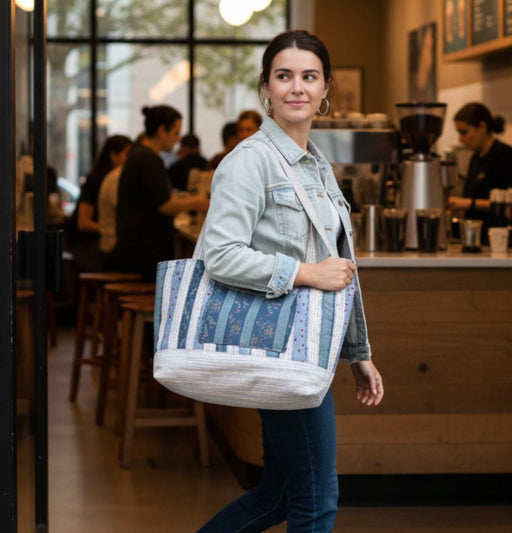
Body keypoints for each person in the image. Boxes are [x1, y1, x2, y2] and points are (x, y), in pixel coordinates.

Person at [198, 30, 384, 532]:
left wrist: (357, 351)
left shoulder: (317, 166)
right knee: (316, 500)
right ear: (266, 88)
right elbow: (219, 254)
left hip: (307, 350)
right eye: (284, 76)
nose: (296, 87)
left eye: (309, 76)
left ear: (326, 90)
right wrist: (304, 273)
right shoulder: (249, 161)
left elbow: (339, 265)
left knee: (278, 494)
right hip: (280, 349)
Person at [113, 105, 209, 281]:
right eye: (176, 133)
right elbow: (165, 205)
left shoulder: (140, 155)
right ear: (162, 131)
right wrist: (199, 201)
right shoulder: (147, 159)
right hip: (142, 254)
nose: (178, 139)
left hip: (132, 249)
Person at [447, 103, 512, 227]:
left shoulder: (505, 154)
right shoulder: (475, 158)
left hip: (498, 233)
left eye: (464, 132)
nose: (460, 139)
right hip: (476, 233)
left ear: (482, 127)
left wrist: (469, 203)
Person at [69, 135, 133, 272]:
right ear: (113, 155)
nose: (130, 160)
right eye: (127, 154)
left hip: (99, 244)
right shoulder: (97, 181)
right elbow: (83, 223)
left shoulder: (117, 180)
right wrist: (113, 229)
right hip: (89, 246)